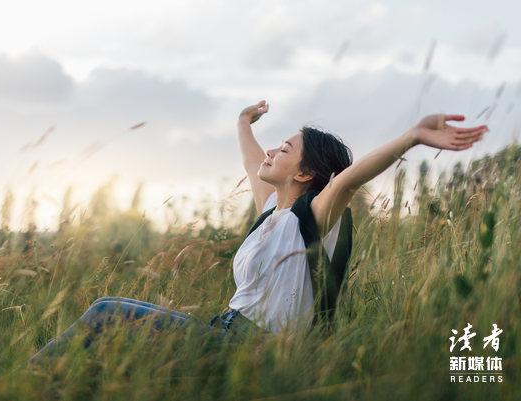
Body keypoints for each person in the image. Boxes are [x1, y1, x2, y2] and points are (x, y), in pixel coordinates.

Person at [29, 101, 488, 362]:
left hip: (253, 351)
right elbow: (252, 159)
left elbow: (350, 178)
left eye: (285, 148)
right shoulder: (271, 212)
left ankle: (27, 382)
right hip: (220, 333)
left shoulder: (314, 217)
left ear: (306, 173)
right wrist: (242, 123)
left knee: (108, 311)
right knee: (111, 355)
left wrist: (411, 137)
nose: (271, 151)